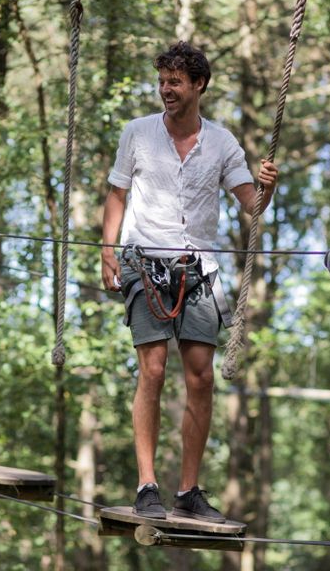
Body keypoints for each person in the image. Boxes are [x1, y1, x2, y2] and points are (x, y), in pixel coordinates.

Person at [100, 41, 278, 523]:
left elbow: (251, 203)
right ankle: (146, 485)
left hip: (198, 268)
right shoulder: (137, 133)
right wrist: (107, 251)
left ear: (199, 85)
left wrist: (267, 185)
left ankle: (189, 491)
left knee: (200, 376)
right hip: (144, 262)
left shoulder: (222, 143)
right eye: (162, 81)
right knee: (153, 370)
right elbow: (117, 193)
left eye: (175, 82)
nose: (166, 90)